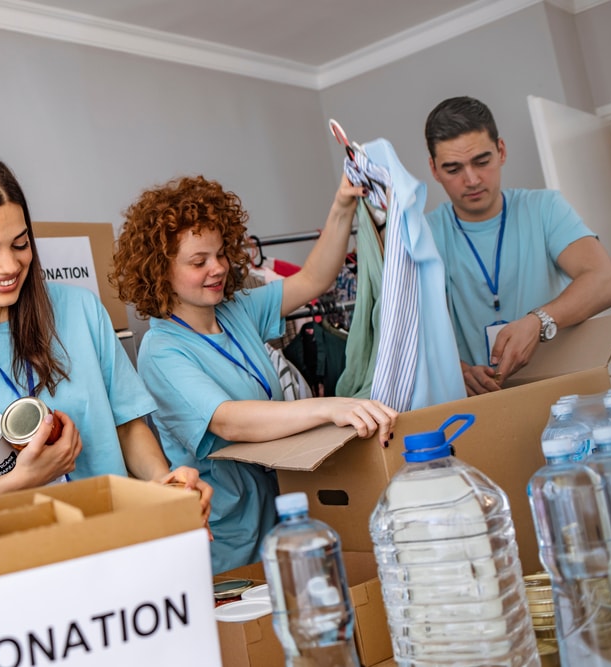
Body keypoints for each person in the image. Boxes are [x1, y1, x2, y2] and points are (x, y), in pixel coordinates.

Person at [0, 155, 212, 520]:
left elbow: (128, 427)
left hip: (115, 540)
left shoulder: (82, 310)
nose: (9, 266)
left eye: (20, 244)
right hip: (16, 565)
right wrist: (21, 480)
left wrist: (165, 483)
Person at [111, 174, 397, 574]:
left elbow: (314, 278)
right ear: (161, 271)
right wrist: (328, 407)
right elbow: (229, 420)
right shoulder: (162, 352)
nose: (218, 268)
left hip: (282, 511)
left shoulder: (237, 311)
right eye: (199, 262)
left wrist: (343, 205)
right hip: (230, 537)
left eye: (220, 254)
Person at [425, 96, 611, 395]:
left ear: (501, 151)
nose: (472, 179)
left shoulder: (544, 208)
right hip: (479, 403)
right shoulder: (424, 236)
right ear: (434, 170)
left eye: (482, 161)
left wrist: (539, 321)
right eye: (453, 169)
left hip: (564, 391)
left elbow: (606, 281)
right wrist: (457, 371)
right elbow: (411, 331)